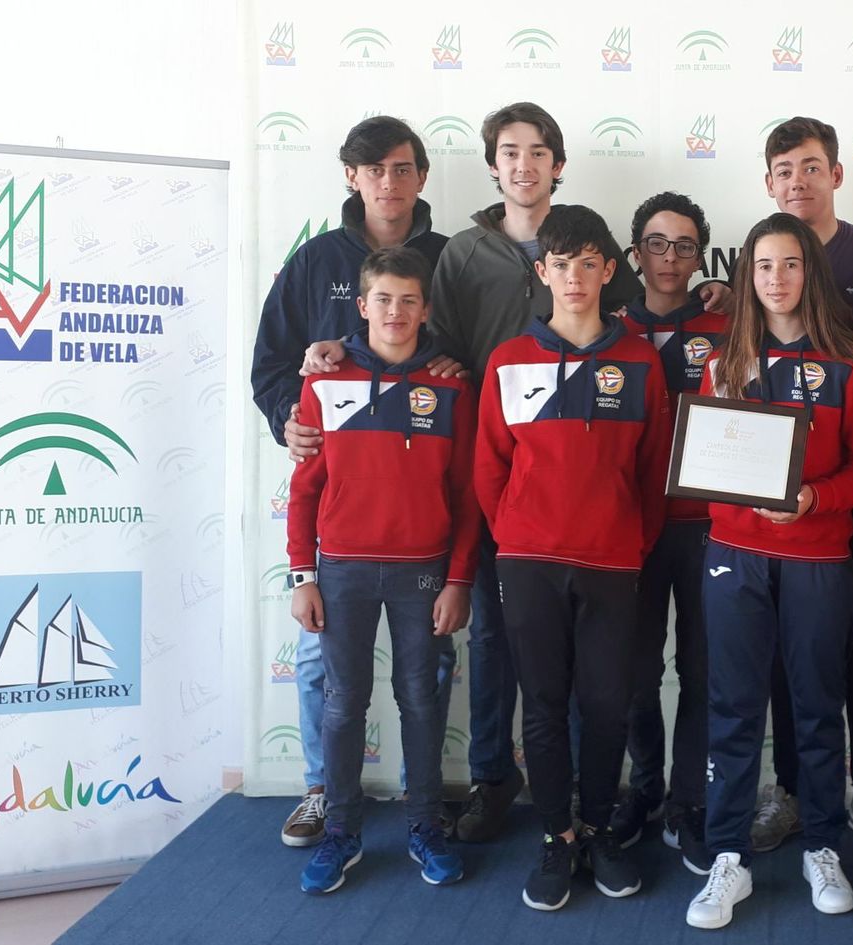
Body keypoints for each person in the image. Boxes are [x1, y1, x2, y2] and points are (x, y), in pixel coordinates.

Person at [299, 103, 728, 843]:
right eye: (509, 152)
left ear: (558, 164)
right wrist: (330, 355)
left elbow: (639, 336)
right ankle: (498, 778)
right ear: (493, 165)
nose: (523, 164)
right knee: (496, 646)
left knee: (596, 674)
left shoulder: (588, 244)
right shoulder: (461, 253)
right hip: (495, 486)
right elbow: (415, 334)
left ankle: (594, 806)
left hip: (594, 517)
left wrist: (718, 296)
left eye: (538, 152)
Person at [250, 116, 451, 848]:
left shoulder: (448, 257)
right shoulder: (314, 261)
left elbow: (459, 352)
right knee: (325, 672)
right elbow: (271, 365)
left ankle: (424, 803)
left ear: (421, 176)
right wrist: (289, 421)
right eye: (373, 170)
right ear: (351, 176)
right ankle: (321, 791)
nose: (388, 183)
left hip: (421, 517)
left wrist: (453, 368)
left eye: (401, 168)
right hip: (341, 516)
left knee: (426, 679)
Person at [686, 212, 853, 930]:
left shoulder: (846, 365)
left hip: (819, 558)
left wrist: (814, 498)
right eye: (764, 265)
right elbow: (705, 460)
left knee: (816, 708)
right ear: (748, 275)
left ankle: (823, 845)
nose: (777, 278)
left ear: (811, 273)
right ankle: (728, 857)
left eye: (790, 264)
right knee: (735, 707)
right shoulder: (724, 363)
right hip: (734, 556)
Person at [473, 205, 672, 911]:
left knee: (609, 703)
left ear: (609, 270)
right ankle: (556, 835)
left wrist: (628, 539)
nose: (576, 276)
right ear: (542, 271)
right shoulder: (507, 361)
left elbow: (655, 472)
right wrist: (519, 537)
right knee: (545, 707)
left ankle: (599, 830)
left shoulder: (640, 360)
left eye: (590, 262)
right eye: (562, 263)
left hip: (614, 562)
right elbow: (490, 468)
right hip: (527, 561)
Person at [286, 246, 476, 894]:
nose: (396, 312)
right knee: (343, 705)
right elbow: (305, 489)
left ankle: (425, 824)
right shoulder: (323, 380)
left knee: (422, 701)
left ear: (425, 309)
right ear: (362, 306)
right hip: (340, 571)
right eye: (383, 300)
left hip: (423, 571)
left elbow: (465, 495)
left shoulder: (451, 384)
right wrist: (300, 574)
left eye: (409, 300)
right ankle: (342, 830)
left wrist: (459, 578)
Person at [753, 116, 853, 861]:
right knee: (791, 648)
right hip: (781, 498)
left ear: (837, 174)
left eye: (811, 167)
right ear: (769, 183)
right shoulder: (760, 262)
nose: (797, 181)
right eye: (784, 170)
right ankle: (788, 788)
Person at [608, 192, 727, 875]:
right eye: (658, 244)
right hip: (627, 529)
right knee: (633, 674)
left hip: (708, 525)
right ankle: (645, 787)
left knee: (704, 672)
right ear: (636, 255)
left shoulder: (728, 323)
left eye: (685, 245)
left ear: (700, 255)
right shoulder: (606, 328)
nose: (671, 258)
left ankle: (690, 802)